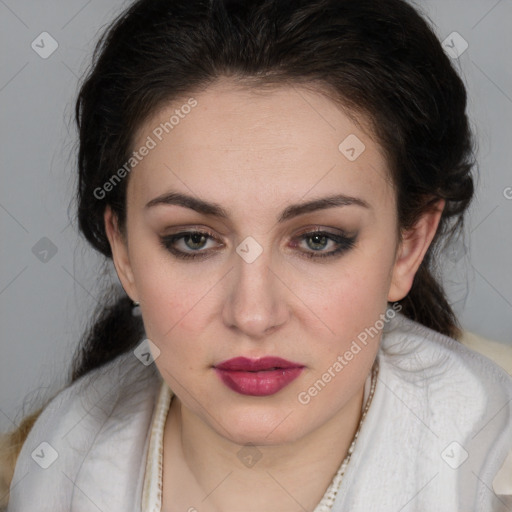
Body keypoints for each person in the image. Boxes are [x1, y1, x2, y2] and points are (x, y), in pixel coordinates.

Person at [2, 0, 512, 510]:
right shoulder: (48, 476)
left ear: (409, 245)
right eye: (193, 240)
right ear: (124, 250)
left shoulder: (492, 474)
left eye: (318, 240)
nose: (253, 314)